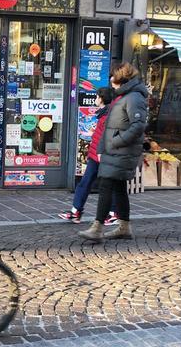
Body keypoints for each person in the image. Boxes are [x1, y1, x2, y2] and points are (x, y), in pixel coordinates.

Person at [79, 62, 148, 241]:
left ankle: (97, 228)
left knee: (106, 185)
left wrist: (116, 141)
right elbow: (108, 126)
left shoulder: (133, 98)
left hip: (121, 151)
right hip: (114, 150)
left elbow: (138, 126)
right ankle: (124, 227)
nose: (110, 79)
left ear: (121, 78)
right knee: (118, 188)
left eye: (113, 76)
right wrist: (103, 147)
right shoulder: (122, 96)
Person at [58, 87, 118, 226]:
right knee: (85, 183)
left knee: (109, 184)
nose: (95, 99)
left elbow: (107, 137)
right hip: (95, 155)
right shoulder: (103, 114)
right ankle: (76, 212)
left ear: (101, 98)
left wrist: (102, 153)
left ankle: (114, 213)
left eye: (97, 96)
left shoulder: (108, 115)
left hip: (103, 155)